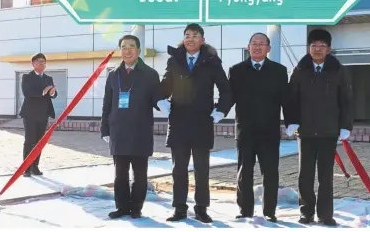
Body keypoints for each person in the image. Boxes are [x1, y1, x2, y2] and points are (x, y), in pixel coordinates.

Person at [157, 23, 232, 223]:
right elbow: (165, 85)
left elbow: (226, 89)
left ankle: (201, 209)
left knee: (202, 169)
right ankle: (179, 208)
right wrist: (160, 100)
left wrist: (220, 111)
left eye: (195, 35)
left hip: (201, 122)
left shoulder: (212, 62)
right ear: (184, 39)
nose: (191, 38)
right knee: (178, 169)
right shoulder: (174, 61)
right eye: (187, 35)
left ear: (202, 40)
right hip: (179, 122)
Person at [285, 29, 354, 226]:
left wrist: (345, 126)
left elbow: (347, 100)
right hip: (305, 131)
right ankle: (306, 212)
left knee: (326, 176)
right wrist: (291, 121)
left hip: (328, 131)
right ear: (309, 48)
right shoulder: (300, 70)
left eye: (322, 46)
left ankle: (325, 214)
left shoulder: (338, 70)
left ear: (329, 50)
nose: (317, 49)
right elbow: (291, 98)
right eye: (314, 45)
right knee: (304, 175)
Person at [100, 34, 163, 219]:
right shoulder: (113, 75)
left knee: (140, 173)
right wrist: (105, 129)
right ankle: (121, 207)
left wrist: (166, 102)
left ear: (139, 50)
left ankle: (136, 208)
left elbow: (157, 99)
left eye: (131, 46)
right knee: (120, 174)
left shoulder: (150, 74)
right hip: (118, 130)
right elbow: (107, 104)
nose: (127, 50)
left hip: (140, 131)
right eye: (124, 47)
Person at [228, 33, 288, 222]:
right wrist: (217, 112)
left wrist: (291, 121)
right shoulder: (236, 70)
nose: (257, 47)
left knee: (270, 172)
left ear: (268, 48)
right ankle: (245, 209)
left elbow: (286, 99)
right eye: (254, 43)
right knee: (244, 172)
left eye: (262, 44)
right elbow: (229, 97)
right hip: (245, 130)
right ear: (248, 47)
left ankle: (269, 211)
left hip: (269, 131)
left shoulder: (279, 71)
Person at [19, 53, 57, 177]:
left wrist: (52, 92)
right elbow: (27, 93)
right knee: (29, 141)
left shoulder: (48, 78)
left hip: (43, 114)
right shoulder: (27, 77)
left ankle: (35, 166)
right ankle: (26, 168)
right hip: (29, 114)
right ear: (33, 64)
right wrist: (43, 91)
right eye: (40, 61)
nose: (43, 64)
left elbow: (53, 95)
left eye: (44, 62)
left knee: (39, 142)